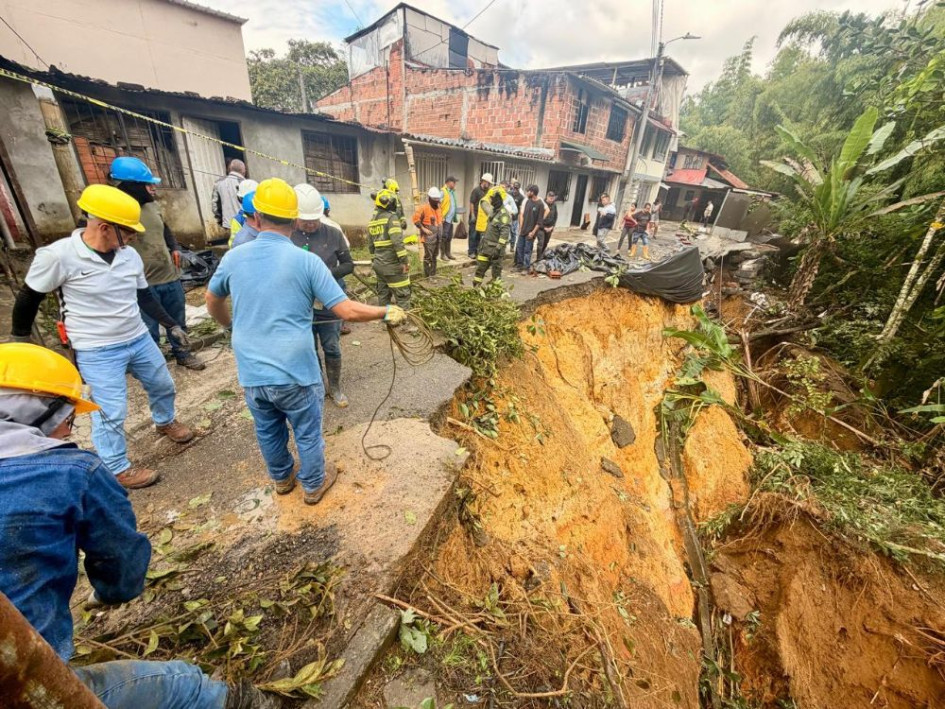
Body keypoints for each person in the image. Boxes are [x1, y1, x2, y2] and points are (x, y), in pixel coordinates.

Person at [0, 343, 280, 708]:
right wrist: (112, 591)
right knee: (185, 684)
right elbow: (121, 561)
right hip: (21, 683)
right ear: (43, 412)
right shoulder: (71, 472)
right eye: (70, 420)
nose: (70, 433)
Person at [206, 179, 405, 504]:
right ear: (295, 219)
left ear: (255, 216)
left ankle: (282, 479)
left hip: (252, 370)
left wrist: (231, 327)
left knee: (268, 429)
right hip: (294, 370)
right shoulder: (306, 261)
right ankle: (313, 485)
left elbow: (212, 301)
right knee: (307, 431)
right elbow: (346, 310)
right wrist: (384, 311)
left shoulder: (234, 258)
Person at [11, 184, 194, 489]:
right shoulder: (58, 256)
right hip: (96, 348)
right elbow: (29, 297)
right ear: (106, 228)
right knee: (110, 410)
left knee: (163, 384)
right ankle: (117, 467)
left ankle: (165, 421)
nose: (134, 237)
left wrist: (171, 324)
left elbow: (144, 297)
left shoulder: (129, 257)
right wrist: (20, 340)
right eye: (129, 232)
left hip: (137, 337)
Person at [110, 157, 204, 372]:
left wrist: (174, 248)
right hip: (142, 282)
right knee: (148, 326)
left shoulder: (152, 206)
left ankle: (183, 353)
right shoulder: (117, 211)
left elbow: (165, 229)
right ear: (130, 186)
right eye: (148, 184)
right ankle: (152, 364)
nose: (153, 188)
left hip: (168, 275)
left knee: (177, 319)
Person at [291, 184, 354, 409]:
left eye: (314, 220)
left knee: (331, 346)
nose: (311, 224)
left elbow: (348, 265)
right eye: (305, 221)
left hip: (328, 303)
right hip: (301, 304)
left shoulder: (333, 234)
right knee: (308, 348)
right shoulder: (287, 236)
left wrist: (326, 275)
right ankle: (316, 385)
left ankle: (335, 387)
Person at [368, 188, 412, 311]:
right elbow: (397, 242)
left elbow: (370, 245)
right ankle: (404, 322)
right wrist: (404, 261)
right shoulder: (392, 218)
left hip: (379, 265)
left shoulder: (373, 221)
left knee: (383, 295)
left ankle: (386, 321)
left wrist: (374, 261)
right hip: (392, 265)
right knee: (403, 294)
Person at [473, 186, 511, 287]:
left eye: (492, 198)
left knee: (496, 275)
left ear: (499, 199)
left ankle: (495, 295)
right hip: (485, 248)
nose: (490, 200)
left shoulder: (504, 215)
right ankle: (476, 288)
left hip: (495, 251)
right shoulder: (494, 211)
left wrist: (498, 248)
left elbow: (504, 233)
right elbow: (484, 204)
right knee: (480, 270)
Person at [514, 185, 546, 272]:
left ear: (532, 192)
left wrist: (533, 232)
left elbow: (539, 222)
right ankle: (519, 266)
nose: (526, 193)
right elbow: (523, 215)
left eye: (528, 191)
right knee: (519, 248)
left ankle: (526, 267)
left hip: (530, 232)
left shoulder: (540, 204)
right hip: (523, 230)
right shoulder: (528, 201)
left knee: (527, 251)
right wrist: (520, 228)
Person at [414, 187, 444, 277]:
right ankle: (427, 276)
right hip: (428, 238)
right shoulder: (424, 208)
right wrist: (424, 229)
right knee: (428, 257)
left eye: (438, 198)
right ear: (430, 198)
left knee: (435, 257)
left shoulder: (438, 208)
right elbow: (416, 220)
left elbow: (440, 221)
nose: (437, 201)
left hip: (438, 237)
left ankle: (433, 274)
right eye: (435, 199)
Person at [212, 159, 246, 231]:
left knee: (234, 241)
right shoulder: (245, 183)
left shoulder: (218, 183)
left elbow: (215, 205)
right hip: (244, 223)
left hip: (229, 224)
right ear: (243, 170)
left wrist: (221, 220)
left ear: (229, 169)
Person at [468, 173, 493, 257]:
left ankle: (477, 251)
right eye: (487, 182)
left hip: (483, 218)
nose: (488, 184)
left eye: (489, 183)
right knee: (473, 235)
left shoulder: (488, 192)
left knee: (480, 236)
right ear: (483, 181)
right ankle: (471, 252)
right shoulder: (476, 190)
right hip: (475, 216)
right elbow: (471, 203)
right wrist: (472, 215)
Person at [439, 176, 459, 260]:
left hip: (450, 219)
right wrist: (440, 216)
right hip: (445, 219)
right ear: (449, 182)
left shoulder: (452, 192)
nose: (455, 184)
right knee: (444, 236)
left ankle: (448, 253)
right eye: (454, 182)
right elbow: (438, 204)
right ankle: (443, 255)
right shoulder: (443, 191)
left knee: (449, 237)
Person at [499, 179, 520, 257]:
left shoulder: (509, 198)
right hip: (495, 222)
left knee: (504, 240)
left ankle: (501, 255)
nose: (503, 189)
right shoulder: (494, 195)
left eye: (505, 187)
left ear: (507, 188)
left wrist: (509, 211)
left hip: (505, 223)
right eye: (501, 187)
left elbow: (515, 210)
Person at [536, 191, 558, 261]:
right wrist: (544, 227)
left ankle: (542, 256)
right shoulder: (542, 204)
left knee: (546, 242)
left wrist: (553, 226)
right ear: (547, 197)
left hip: (550, 227)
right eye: (550, 198)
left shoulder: (554, 205)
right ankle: (538, 258)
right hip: (541, 227)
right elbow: (538, 217)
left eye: (553, 198)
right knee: (541, 243)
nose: (551, 200)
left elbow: (555, 216)